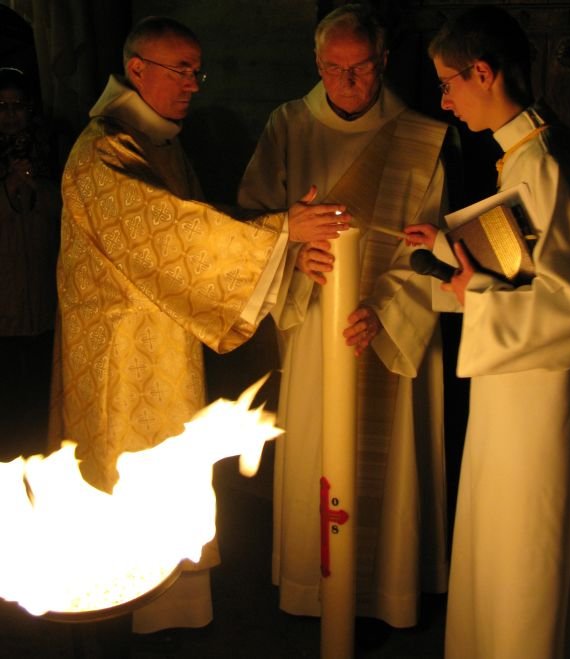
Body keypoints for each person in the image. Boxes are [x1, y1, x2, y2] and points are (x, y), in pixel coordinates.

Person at [46, 15, 349, 637]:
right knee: (123, 468)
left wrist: (285, 241)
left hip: (159, 338)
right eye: (179, 69)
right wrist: (280, 231)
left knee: (167, 465)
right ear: (136, 70)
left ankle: (168, 607)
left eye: (196, 70)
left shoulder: (157, 139)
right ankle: (115, 610)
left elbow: (200, 219)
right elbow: (163, 230)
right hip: (116, 353)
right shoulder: (103, 147)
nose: (192, 84)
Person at [404, 6, 570, 658]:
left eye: (449, 83)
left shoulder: (544, 164)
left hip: (542, 401)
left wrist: (479, 295)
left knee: (530, 549)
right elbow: (528, 258)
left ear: (484, 72)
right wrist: (450, 251)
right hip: (520, 385)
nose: (445, 102)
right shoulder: (528, 153)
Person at [238, 3, 456, 628]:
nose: (348, 83)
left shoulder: (423, 135)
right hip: (314, 325)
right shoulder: (287, 125)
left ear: (383, 62)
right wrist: (292, 250)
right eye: (333, 70)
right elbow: (251, 223)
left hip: (388, 326)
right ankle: (315, 588)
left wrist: (386, 310)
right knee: (317, 449)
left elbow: (436, 242)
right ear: (317, 63)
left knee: (392, 455)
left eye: (360, 68)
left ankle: (390, 593)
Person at [0, 67, 60, 446]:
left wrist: (36, 186)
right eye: (1, 106)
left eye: (18, 105)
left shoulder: (51, 151)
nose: (10, 115)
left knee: (41, 386)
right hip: (2, 293)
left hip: (42, 288)